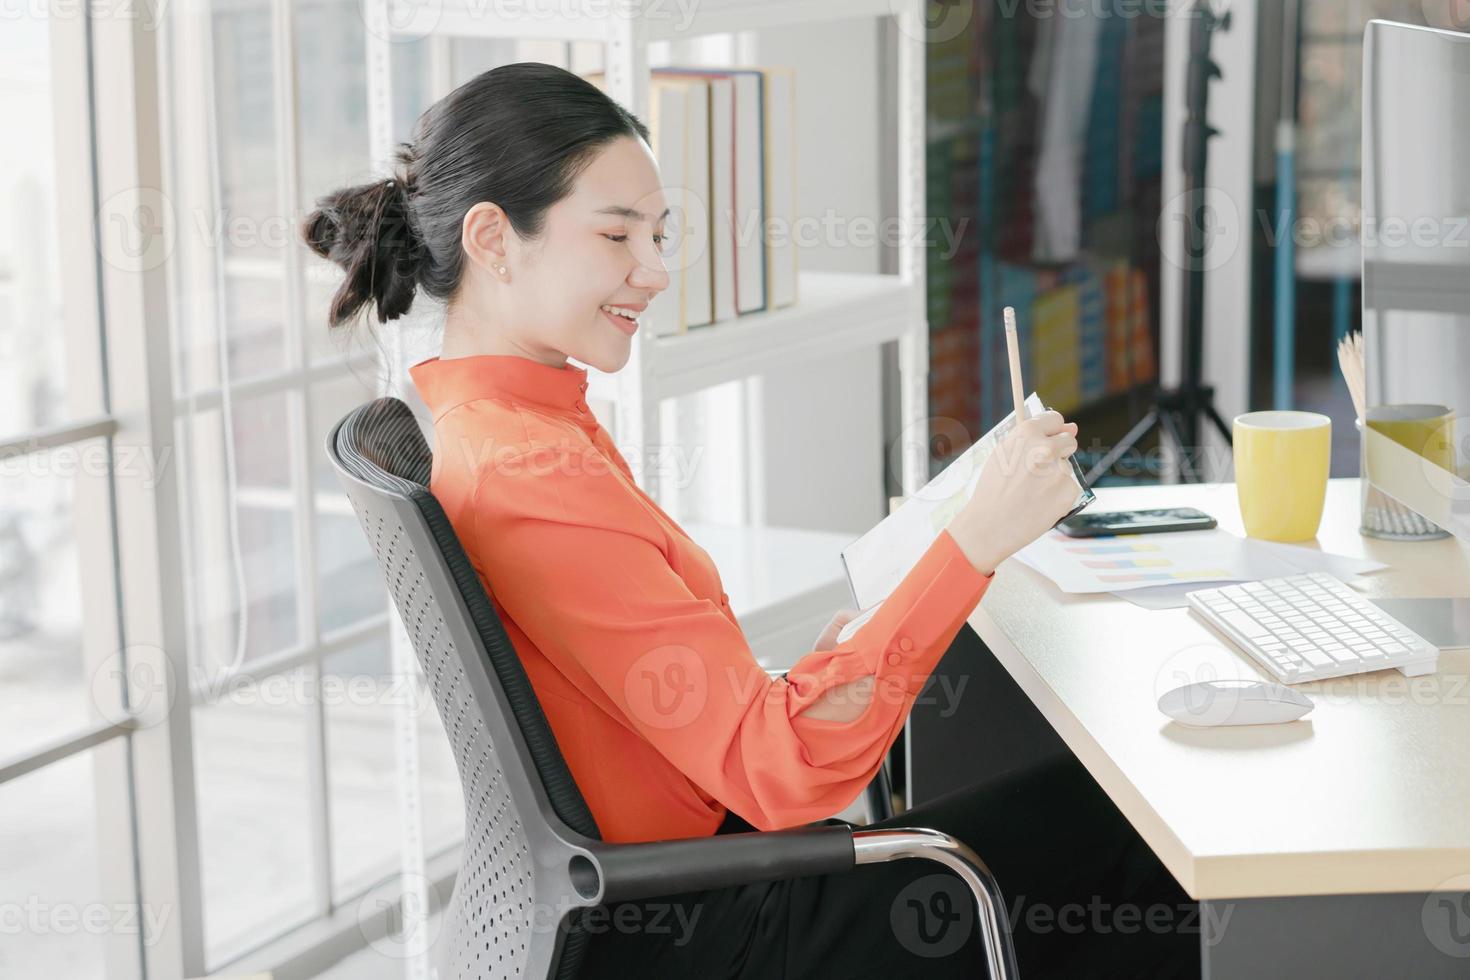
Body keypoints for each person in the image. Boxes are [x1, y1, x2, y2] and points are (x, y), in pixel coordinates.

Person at [303, 62, 1198, 979]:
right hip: (721, 928)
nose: (652, 270)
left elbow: (697, 719)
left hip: (683, 885)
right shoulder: (529, 475)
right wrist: (974, 541)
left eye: (659, 234)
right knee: (1150, 829)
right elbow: (785, 769)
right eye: (617, 234)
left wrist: (837, 657)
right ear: (493, 238)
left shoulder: (508, 427)